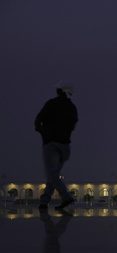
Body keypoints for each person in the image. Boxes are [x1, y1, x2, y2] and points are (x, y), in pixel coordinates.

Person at [35, 81, 78, 210]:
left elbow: (38, 120)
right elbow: (73, 125)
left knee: (51, 173)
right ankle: (44, 201)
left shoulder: (51, 104)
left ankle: (66, 197)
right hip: (65, 146)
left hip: (51, 143)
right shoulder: (72, 107)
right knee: (53, 174)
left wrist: (41, 130)